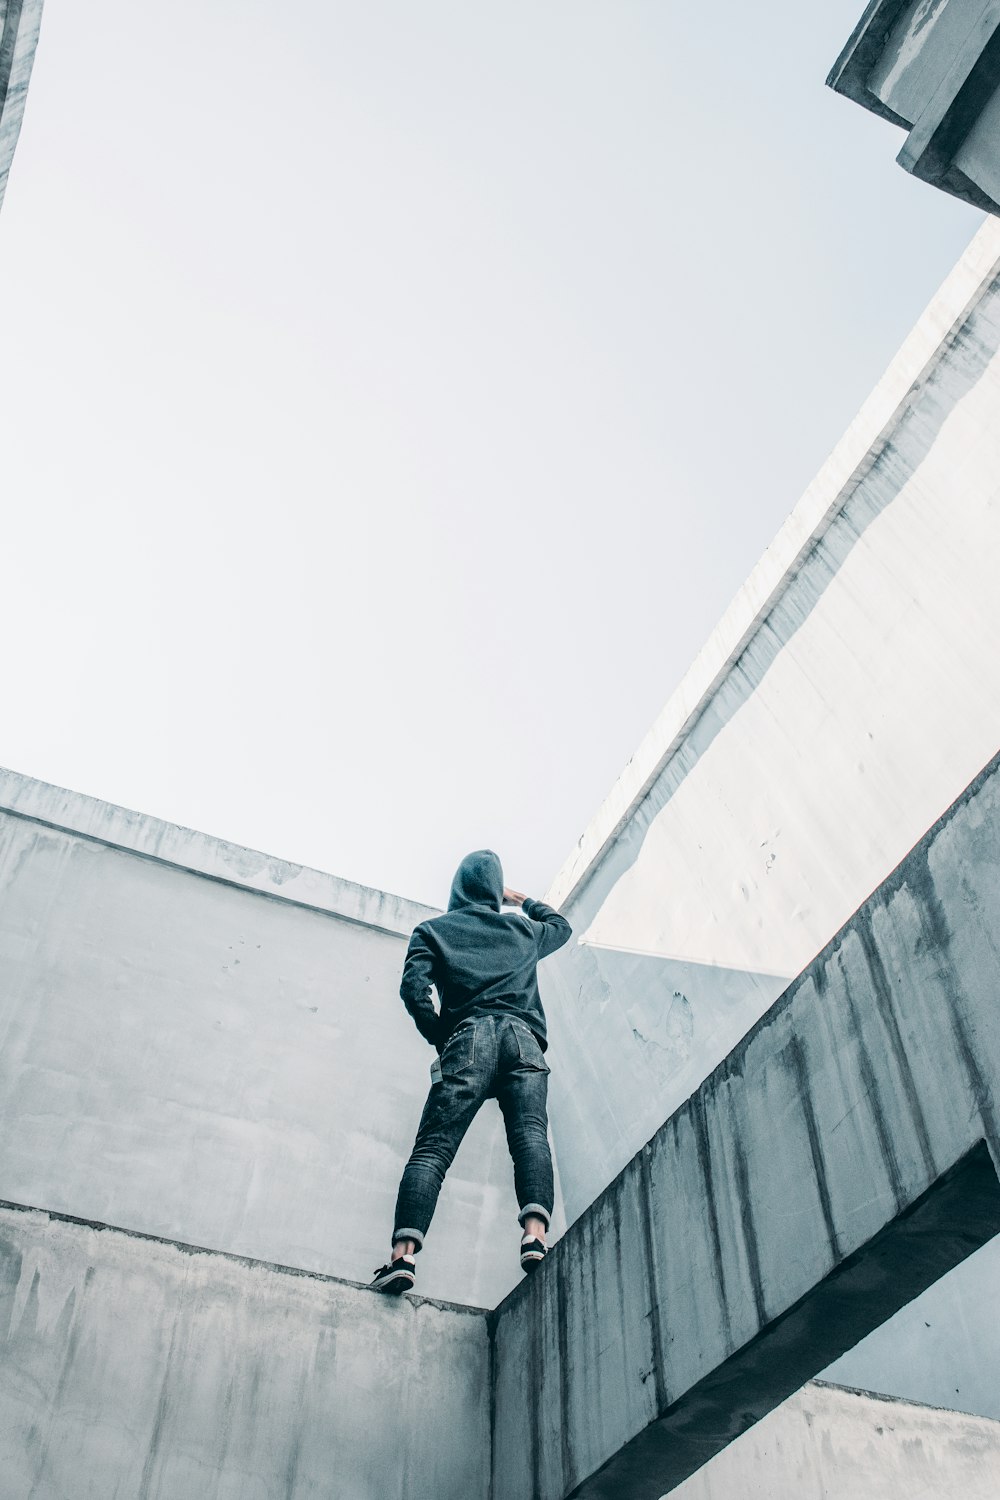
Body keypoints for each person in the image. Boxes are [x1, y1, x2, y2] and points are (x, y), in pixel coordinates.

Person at [371, 849, 572, 1294]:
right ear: (495, 889)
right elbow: (562, 928)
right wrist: (522, 902)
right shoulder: (522, 929)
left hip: (468, 1039)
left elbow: (413, 989)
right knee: (531, 1137)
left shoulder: (434, 931)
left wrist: (443, 1036)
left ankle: (402, 1259)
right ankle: (535, 1237)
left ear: (457, 887)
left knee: (432, 1152)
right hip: (524, 1041)